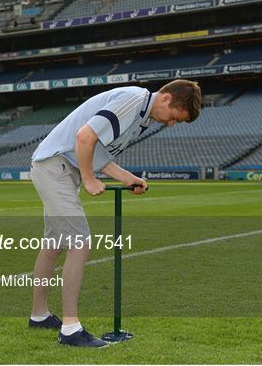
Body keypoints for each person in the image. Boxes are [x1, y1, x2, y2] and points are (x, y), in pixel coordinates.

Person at [28, 79, 201, 347]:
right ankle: (71, 329)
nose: (170, 124)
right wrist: (88, 179)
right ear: (166, 99)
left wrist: (127, 178)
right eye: (174, 118)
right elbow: (84, 137)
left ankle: (39, 316)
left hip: (57, 167)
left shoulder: (140, 114)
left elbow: (97, 152)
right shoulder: (134, 100)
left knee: (54, 244)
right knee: (79, 242)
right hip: (57, 166)